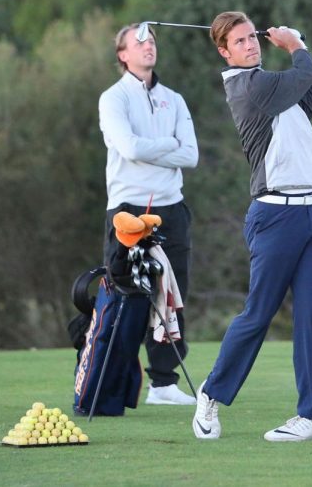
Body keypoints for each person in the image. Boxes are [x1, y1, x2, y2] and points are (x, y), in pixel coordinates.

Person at [193, 11, 312, 442]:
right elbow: (301, 73)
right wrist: (295, 44)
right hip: (276, 217)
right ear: (224, 51)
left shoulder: (273, 85)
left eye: (252, 37)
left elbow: (308, 93)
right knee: (258, 315)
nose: (250, 44)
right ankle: (211, 393)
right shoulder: (248, 87)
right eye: (240, 41)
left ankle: (309, 416)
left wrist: (297, 48)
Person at [98, 23, 199, 406]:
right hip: (127, 210)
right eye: (139, 43)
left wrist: (154, 148)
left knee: (171, 296)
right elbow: (129, 147)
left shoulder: (174, 99)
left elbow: (191, 155)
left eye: (152, 41)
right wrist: (167, 145)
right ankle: (111, 379)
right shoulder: (113, 98)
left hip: (171, 208)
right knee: (126, 294)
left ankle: (164, 384)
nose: (148, 47)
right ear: (123, 55)